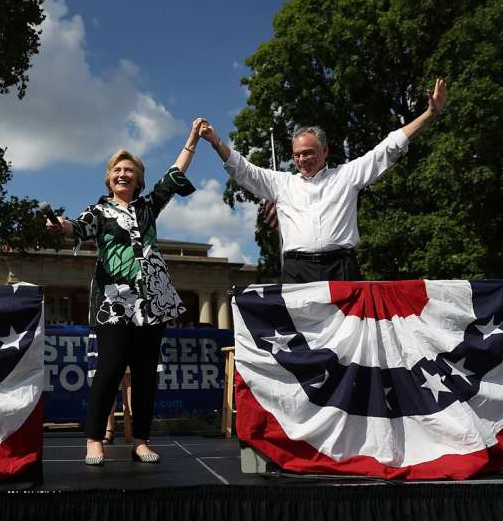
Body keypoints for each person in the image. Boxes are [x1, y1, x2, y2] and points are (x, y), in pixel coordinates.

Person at [48, 119, 202, 465]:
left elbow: (173, 175)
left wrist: (192, 140)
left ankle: (141, 440)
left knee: (146, 371)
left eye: (129, 170)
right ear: (109, 178)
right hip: (113, 303)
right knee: (111, 366)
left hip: (151, 300)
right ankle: (93, 440)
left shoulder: (148, 207)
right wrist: (61, 226)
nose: (123, 174)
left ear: (138, 179)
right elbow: (77, 227)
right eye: (117, 170)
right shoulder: (99, 211)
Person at [199, 78, 449, 283]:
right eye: (297, 155)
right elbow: (244, 170)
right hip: (297, 272)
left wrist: (429, 114)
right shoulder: (282, 184)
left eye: (308, 152)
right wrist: (215, 142)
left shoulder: (346, 176)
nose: (302, 159)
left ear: (325, 151)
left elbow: (388, 148)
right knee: (301, 343)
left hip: (342, 269)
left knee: (348, 340)